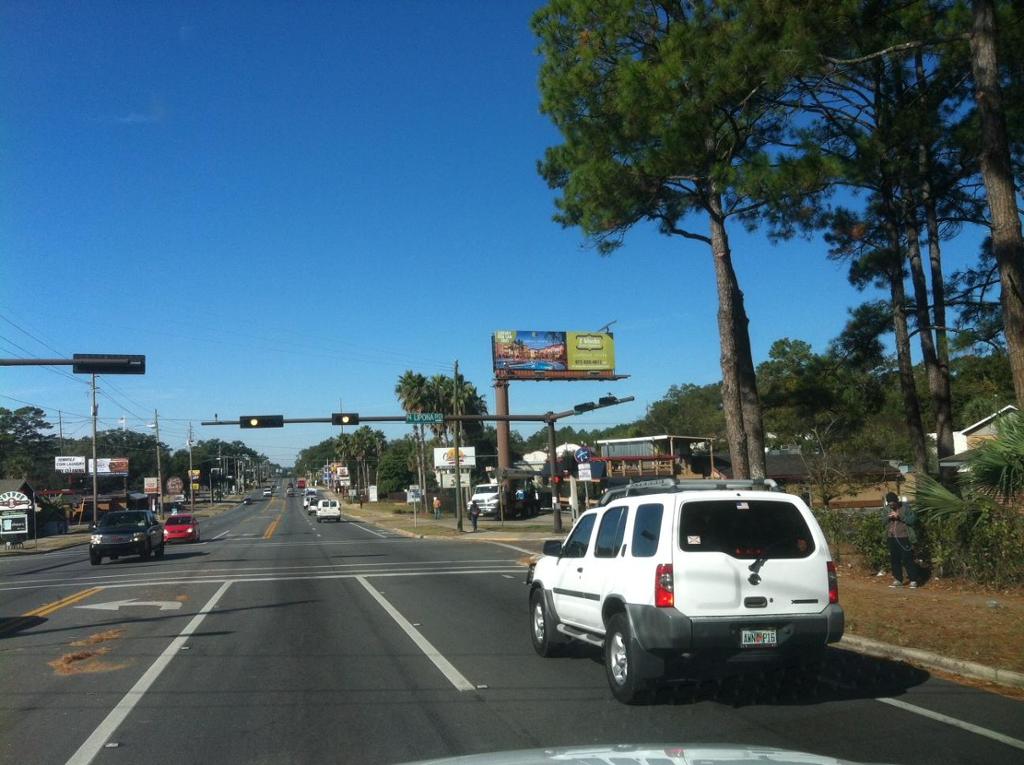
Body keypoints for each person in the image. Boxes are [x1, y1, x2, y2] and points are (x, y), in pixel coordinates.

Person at [884, 491, 921, 588]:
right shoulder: (887, 509)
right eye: (889, 504)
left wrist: (899, 517)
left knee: (907, 559)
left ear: (896, 501)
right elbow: (882, 520)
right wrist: (888, 518)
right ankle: (898, 579)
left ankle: (913, 580)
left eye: (892, 503)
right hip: (892, 537)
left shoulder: (905, 508)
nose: (891, 505)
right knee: (894, 559)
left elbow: (913, 520)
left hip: (904, 537)